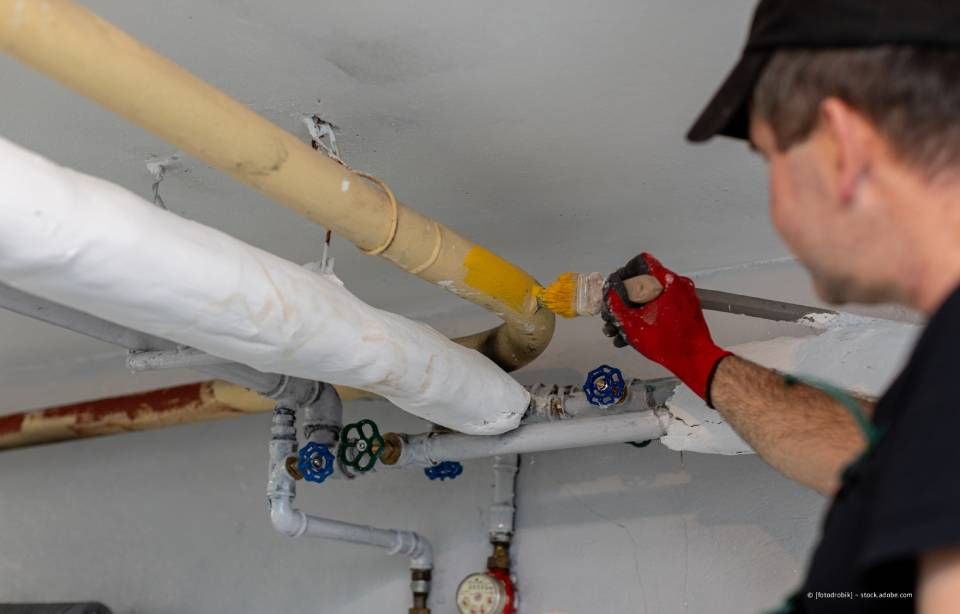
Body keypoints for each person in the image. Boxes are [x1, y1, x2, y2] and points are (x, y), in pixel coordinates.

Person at [600, 1, 960, 612]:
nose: (778, 209)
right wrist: (697, 359)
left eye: (774, 164)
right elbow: (873, 461)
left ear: (844, 145)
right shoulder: (940, 385)